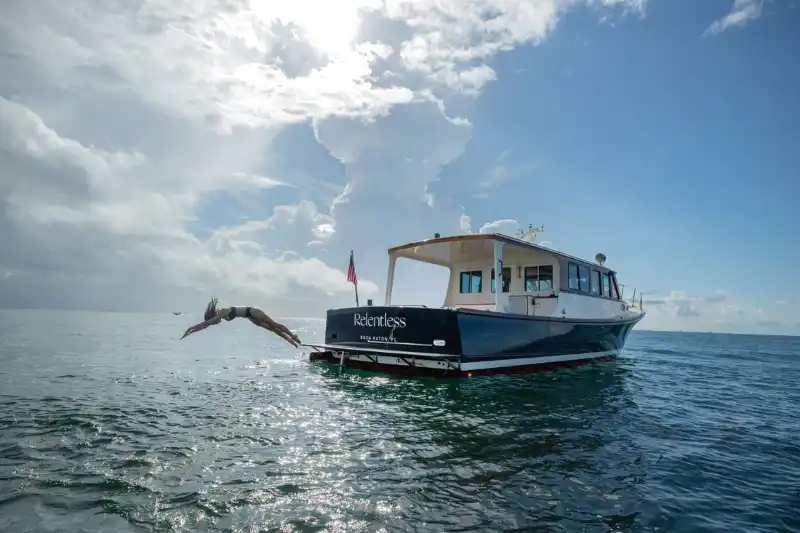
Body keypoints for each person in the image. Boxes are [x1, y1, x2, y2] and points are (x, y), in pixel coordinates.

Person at [180, 297, 302, 348]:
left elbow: (205, 324)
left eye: (212, 321)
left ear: (212, 316)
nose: (213, 324)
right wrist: (191, 331)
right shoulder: (219, 316)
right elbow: (205, 325)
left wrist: (190, 329)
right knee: (271, 329)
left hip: (252, 311)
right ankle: (290, 341)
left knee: (274, 325)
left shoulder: (221, 313)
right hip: (250, 317)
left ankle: (293, 336)